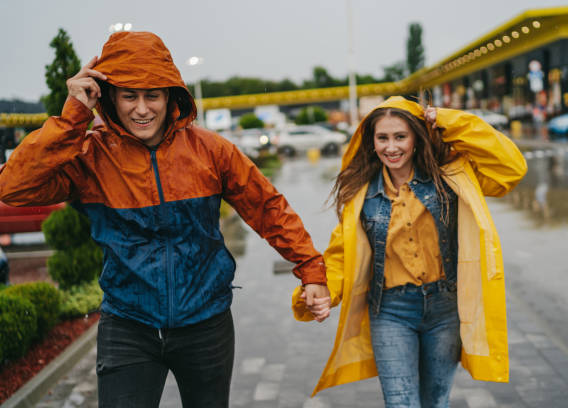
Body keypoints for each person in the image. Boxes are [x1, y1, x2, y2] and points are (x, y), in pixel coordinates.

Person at [0, 31, 330, 408]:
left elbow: (267, 207)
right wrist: (74, 113)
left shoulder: (210, 150)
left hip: (206, 323)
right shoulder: (91, 159)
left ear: (171, 95)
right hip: (128, 326)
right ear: (108, 96)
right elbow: (12, 187)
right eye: (129, 95)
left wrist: (311, 269)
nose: (142, 109)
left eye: (152, 94)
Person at [293, 96, 527, 407]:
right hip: (390, 312)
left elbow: (511, 168)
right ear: (372, 142)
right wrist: (322, 292)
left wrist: (446, 120)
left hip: (446, 310)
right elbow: (341, 257)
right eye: (383, 138)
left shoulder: (452, 178)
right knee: (401, 403)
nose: (391, 147)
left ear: (416, 137)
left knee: (435, 402)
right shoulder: (361, 196)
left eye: (400, 136)